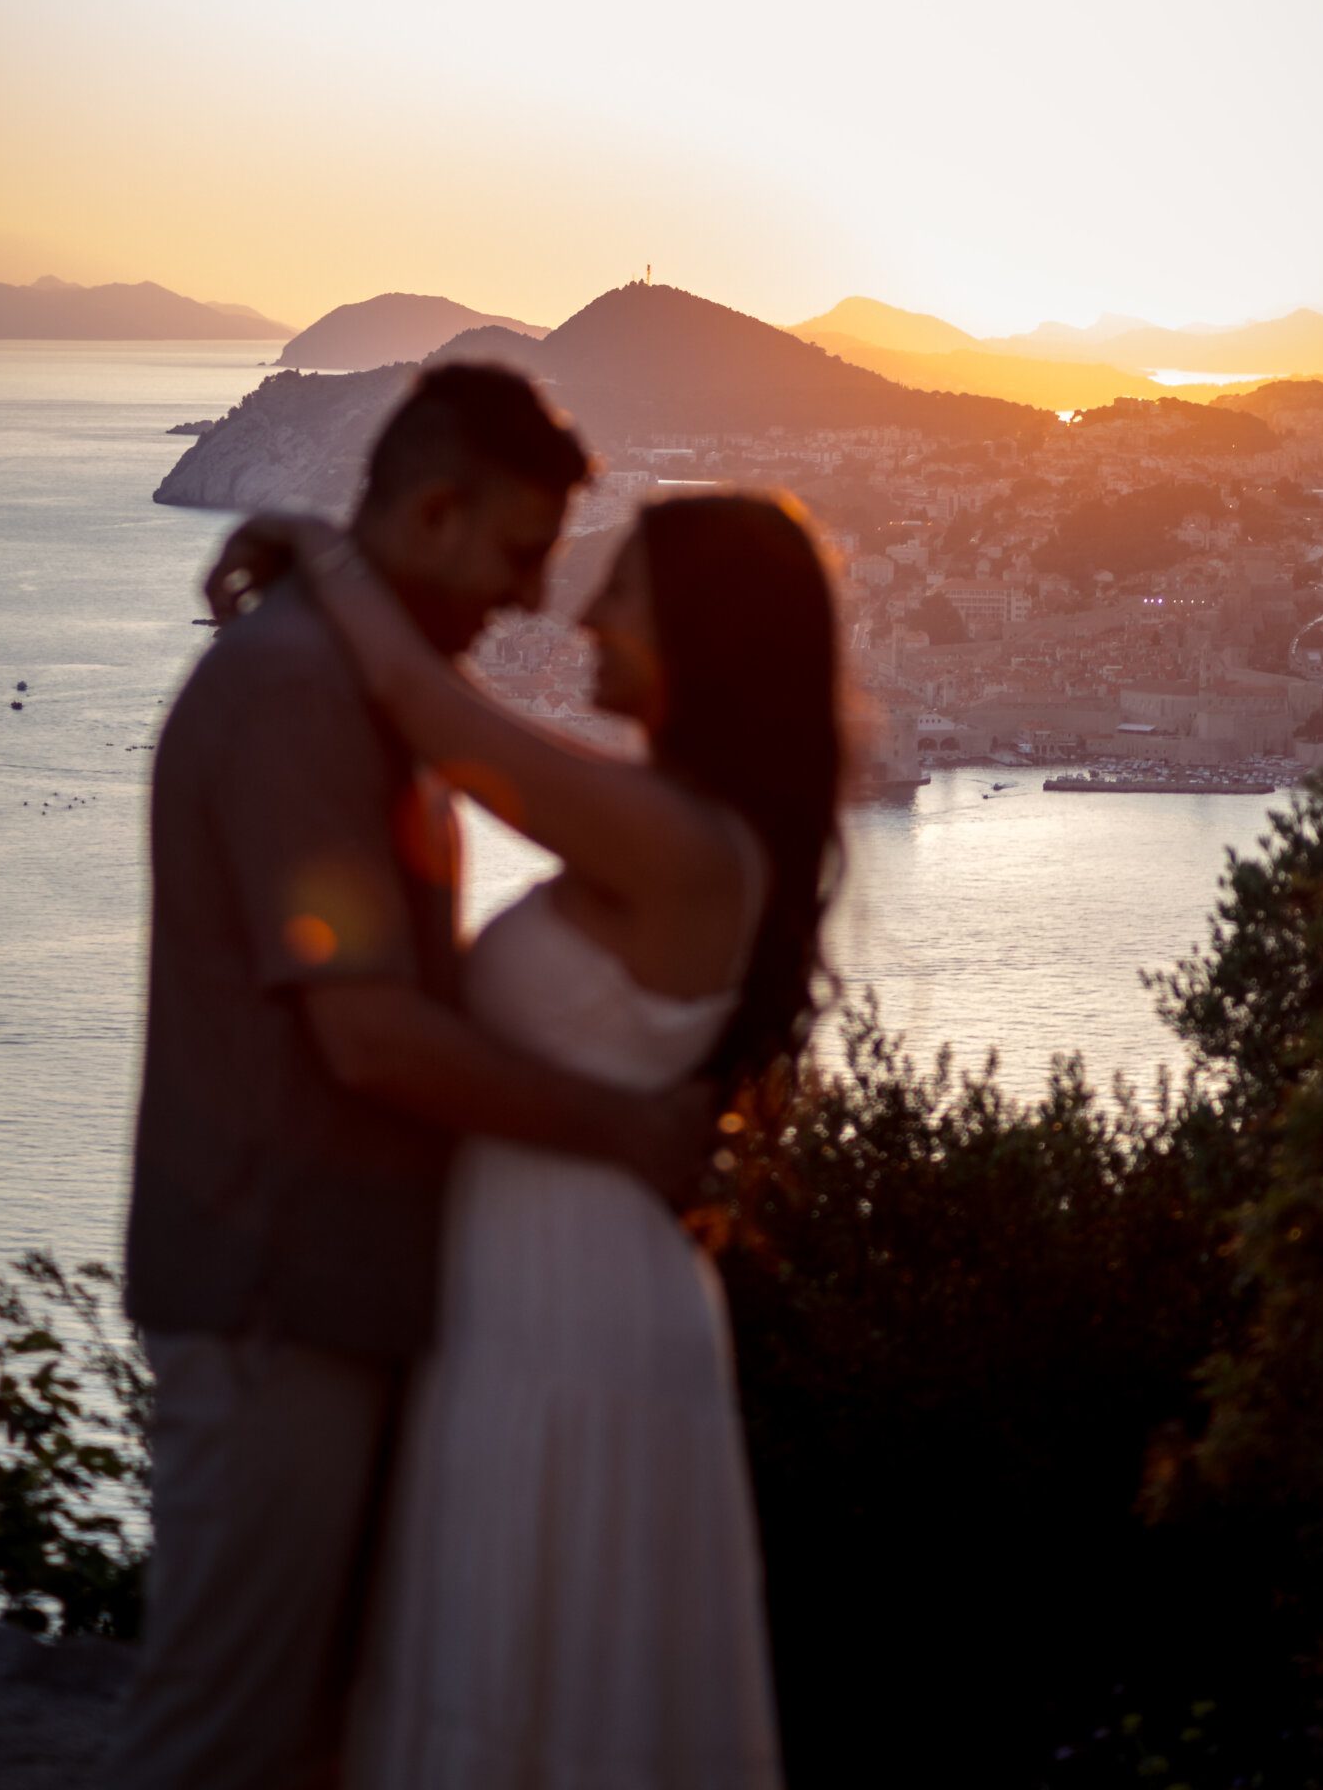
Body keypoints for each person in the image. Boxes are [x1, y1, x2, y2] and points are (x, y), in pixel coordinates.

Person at [113, 364, 713, 1790]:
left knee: (315, 1742)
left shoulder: (355, 682)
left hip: (329, 1294)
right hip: (276, 1299)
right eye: (515, 552)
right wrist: (622, 1128)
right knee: (229, 1744)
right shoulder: (301, 702)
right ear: (435, 513)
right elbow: (365, 1030)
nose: (526, 603)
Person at [202, 483, 844, 1790]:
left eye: (622, 592)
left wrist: (330, 552)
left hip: (576, 1312)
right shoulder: (673, 827)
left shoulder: (679, 843)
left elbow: (441, 725)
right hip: (544, 1294)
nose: (584, 614)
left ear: (698, 636)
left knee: (529, 1688)